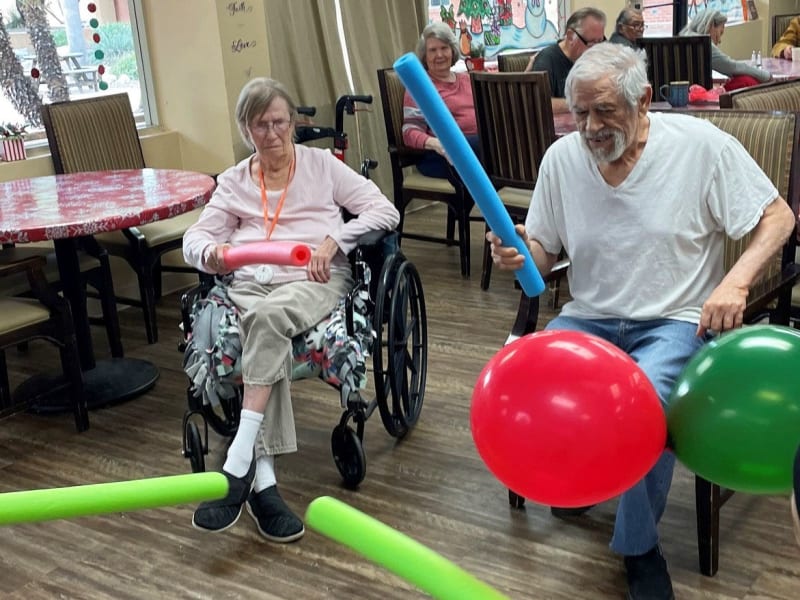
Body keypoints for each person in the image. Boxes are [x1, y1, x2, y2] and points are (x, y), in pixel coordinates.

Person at [488, 43, 795, 600]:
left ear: (645, 100)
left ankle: (637, 547)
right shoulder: (562, 158)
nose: (591, 128)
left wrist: (737, 280)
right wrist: (517, 255)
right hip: (588, 320)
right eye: (580, 113)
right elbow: (541, 252)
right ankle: (582, 477)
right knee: (532, 384)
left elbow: (779, 216)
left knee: (641, 411)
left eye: (605, 111)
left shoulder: (700, 148)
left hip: (674, 321)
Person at [183, 77, 400, 542]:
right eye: (261, 125)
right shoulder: (235, 181)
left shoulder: (322, 167)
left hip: (312, 279)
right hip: (247, 282)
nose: (272, 133)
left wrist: (335, 240)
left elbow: (385, 211)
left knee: (266, 321)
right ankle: (261, 482)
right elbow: (194, 239)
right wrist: (211, 254)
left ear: (293, 123)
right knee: (264, 331)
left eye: (280, 122)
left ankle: (241, 456)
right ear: (246, 129)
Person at [402, 21, 478, 179]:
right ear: (425, 55)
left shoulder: (467, 80)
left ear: (452, 50)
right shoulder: (419, 86)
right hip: (440, 157)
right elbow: (409, 131)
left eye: (444, 48)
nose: (439, 55)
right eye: (432, 50)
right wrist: (437, 144)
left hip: (478, 149)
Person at [524, 7, 607, 114]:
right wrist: (581, 103)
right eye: (591, 43)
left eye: (600, 42)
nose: (596, 49)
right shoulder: (547, 60)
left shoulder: (594, 58)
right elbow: (539, 104)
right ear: (571, 37)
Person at [680, 9, 770, 91]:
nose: (719, 41)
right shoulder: (703, 44)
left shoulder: (683, 39)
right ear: (711, 25)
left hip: (675, 97)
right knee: (746, 81)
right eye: (720, 32)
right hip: (698, 98)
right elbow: (732, 67)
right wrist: (766, 76)